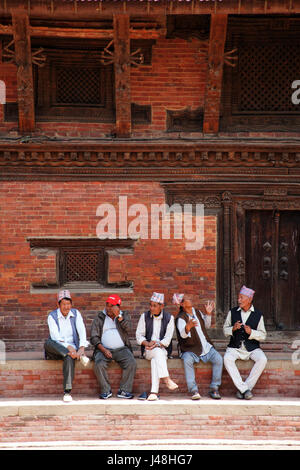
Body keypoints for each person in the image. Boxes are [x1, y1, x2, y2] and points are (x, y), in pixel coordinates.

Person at [44, 290, 90, 402]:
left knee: (69, 358)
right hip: (57, 348)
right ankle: (72, 354)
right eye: (64, 304)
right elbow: (55, 337)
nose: (66, 307)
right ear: (58, 305)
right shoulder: (52, 316)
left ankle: (67, 392)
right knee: (48, 343)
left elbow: (82, 331)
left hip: (73, 350)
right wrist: (69, 348)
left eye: (68, 304)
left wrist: (82, 348)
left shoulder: (76, 314)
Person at [175, 294, 223, 400]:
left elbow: (206, 325)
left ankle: (214, 388)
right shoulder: (180, 318)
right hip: (190, 349)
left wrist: (208, 314)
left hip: (205, 346)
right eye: (188, 299)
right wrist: (187, 327)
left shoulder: (197, 312)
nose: (191, 299)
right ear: (182, 304)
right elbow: (183, 335)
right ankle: (193, 390)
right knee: (187, 360)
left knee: (218, 359)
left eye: (190, 298)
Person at [223, 285, 267, 400]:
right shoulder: (232, 312)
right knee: (227, 358)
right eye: (239, 298)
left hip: (252, 348)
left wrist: (251, 332)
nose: (239, 300)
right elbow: (224, 330)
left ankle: (244, 388)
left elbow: (263, 335)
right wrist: (233, 328)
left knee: (262, 359)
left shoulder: (258, 314)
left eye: (242, 298)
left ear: (249, 299)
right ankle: (244, 390)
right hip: (235, 347)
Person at [90, 294, 136, 399]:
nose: (108, 308)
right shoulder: (100, 317)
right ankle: (106, 390)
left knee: (131, 363)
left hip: (122, 349)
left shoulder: (124, 315)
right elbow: (94, 337)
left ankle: (124, 391)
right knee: (99, 364)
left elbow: (129, 329)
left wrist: (119, 317)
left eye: (112, 306)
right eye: (107, 305)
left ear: (118, 307)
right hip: (103, 349)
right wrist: (104, 349)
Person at [136, 292, 178, 401]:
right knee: (156, 353)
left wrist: (156, 344)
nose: (151, 308)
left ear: (162, 306)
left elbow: (167, 340)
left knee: (156, 359)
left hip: (163, 349)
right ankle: (167, 379)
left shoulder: (169, 318)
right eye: (150, 305)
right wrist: (147, 343)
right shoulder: (144, 316)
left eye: (154, 305)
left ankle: (154, 392)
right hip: (148, 350)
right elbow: (138, 336)